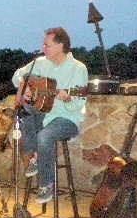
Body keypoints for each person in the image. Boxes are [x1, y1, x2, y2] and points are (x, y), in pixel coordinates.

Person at [12, 27, 88, 204]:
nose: (43, 47)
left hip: (66, 119)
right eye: (43, 44)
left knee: (44, 136)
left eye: (47, 45)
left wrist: (67, 98)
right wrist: (27, 87)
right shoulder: (40, 62)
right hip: (43, 115)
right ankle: (33, 157)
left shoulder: (78, 68)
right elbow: (17, 77)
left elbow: (79, 102)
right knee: (23, 111)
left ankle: (46, 184)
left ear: (61, 45)